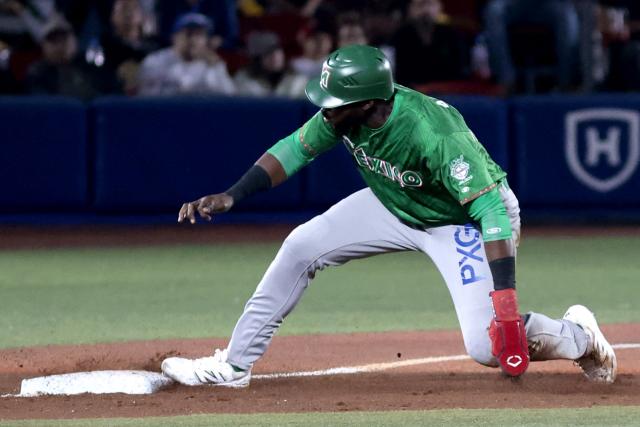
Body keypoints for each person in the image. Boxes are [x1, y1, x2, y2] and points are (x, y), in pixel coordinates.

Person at [161, 45, 617, 387]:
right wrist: (233, 194)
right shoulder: (343, 116)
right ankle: (235, 365)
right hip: (394, 202)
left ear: (366, 102)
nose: (325, 108)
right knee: (301, 245)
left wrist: (507, 309)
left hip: (465, 220)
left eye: (334, 100)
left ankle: (577, 335)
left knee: (485, 346)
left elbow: (490, 209)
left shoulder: (432, 131)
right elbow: (293, 151)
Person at [483, 0, 580, 93]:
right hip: (514, 4)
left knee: (569, 17)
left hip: (547, 4)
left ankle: (566, 83)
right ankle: (506, 80)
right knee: (494, 10)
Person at [137, 12, 235, 96]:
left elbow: (229, 97)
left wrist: (215, 67)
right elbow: (146, 97)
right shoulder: (155, 62)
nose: (193, 40)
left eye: (199, 35)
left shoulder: (214, 64)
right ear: (174, 37)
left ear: (206, 41)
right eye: (188, 34)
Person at [390, 0, 469, 88]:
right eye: (420, 5)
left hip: (449, 90)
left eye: (430, 4)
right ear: (409, 9)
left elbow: (461, 71)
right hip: (415, 91)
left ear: (440, 7)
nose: (426, 10)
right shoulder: (401, 36)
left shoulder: (452, 34)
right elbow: (401, 75)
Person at [25, 17, 107, 99]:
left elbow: (100, 94)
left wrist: (70, 60)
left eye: (63, 39)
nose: (59, 46)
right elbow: (47, 103)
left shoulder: (88, 65)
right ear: (43, 45)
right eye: (53, 40)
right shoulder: (38, 72)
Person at [101, 0, 158, 94]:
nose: (128, 14)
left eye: (133, 9)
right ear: (113, 16)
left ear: (142, 15)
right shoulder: (106, 43)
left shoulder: (155, 44)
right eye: (124, 9)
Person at [234, 31, 308, 98]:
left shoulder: (296, 80)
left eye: (277, 50)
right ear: (256, 60)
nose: (275, 56)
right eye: (267, 53)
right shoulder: (244, 80)